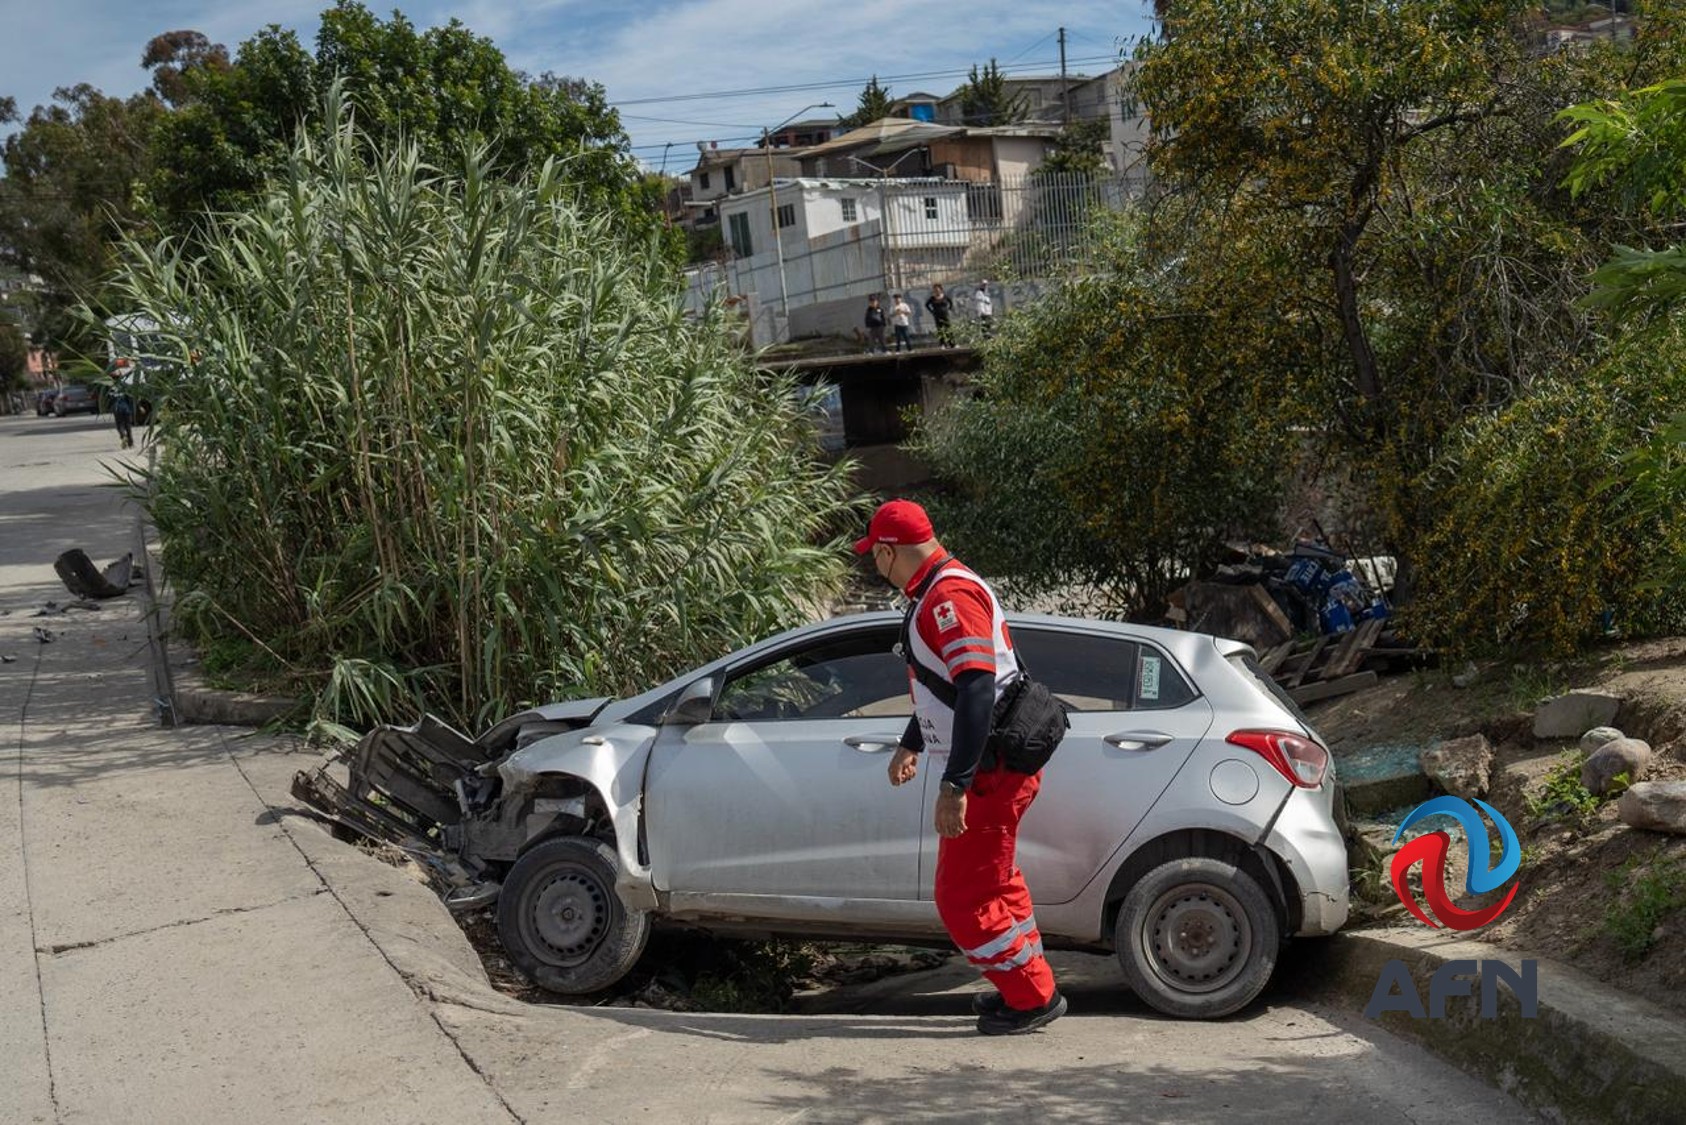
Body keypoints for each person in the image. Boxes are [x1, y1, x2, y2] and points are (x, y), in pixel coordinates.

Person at [855, 499, 1065, 1035]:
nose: (874, 566)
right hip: (992, 763)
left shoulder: (945, 596)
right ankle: (1029, 986)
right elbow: (946, 686)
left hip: (988, 770)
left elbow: (975, 688)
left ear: (887, 551)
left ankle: (1030, 997)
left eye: (873, 556)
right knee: (995, 882)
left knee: (961, 896)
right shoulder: (940, 589)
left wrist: (956, 784)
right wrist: (913, 743)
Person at [925, 284, 955, 348]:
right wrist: (932, 311)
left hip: (945, 315)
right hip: (937, 316)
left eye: (938, 289)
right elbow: (927, 305)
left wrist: (949, 309)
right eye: (935, 290)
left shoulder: (945, 296)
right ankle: (943, 344)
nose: (936, 291)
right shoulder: (932, 298)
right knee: (940, 330)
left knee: (948, 329)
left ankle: (952, 344)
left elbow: (951, 302)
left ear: (941, 290)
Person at [109, 378, 135, 449]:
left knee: (120, 425)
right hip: (126, 409)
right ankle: (130, 443)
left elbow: (110, 400)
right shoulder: (125, 387)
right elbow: (130, 398)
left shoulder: (111, 389)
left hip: (117, 409)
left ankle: (123, 436)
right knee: (128, 426)